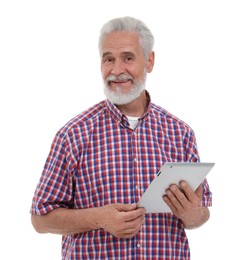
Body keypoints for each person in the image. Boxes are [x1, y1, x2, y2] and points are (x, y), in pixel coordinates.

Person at [31, 16, 212, 259]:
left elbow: (202, 213)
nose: (116, 71)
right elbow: (40, 218)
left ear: (149, 61)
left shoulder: (180, 134)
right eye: (108, 59)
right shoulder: (73, 135)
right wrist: (98, 218)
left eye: (128, 58)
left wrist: (192, 215)